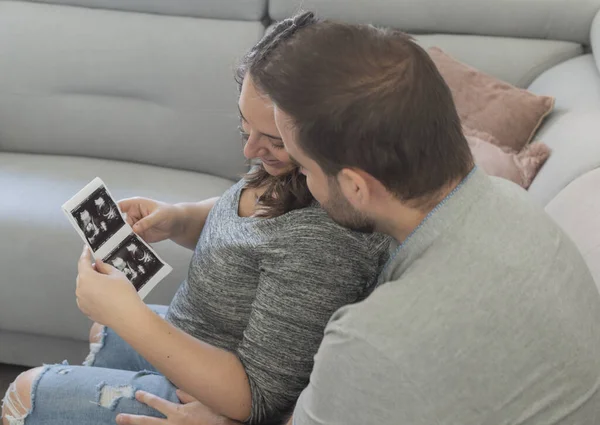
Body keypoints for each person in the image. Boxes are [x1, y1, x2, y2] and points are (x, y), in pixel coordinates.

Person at [116, 15, 600, 425]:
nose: (289, 177)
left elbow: (268, 396)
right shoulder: (512, 206)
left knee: (38, 388)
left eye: (303, 168)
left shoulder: (372, 341)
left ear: (355, 186)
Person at [1, 13, 390, 425]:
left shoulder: (322, 239)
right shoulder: (286, 170)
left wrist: (129, 315)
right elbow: (246, 228)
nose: (250, 151)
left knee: (26, 393)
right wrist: (179, 219)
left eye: (274, 140)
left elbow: (256, 398)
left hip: (221, 388)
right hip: (199, 337)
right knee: (103, 332)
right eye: (245, 130)